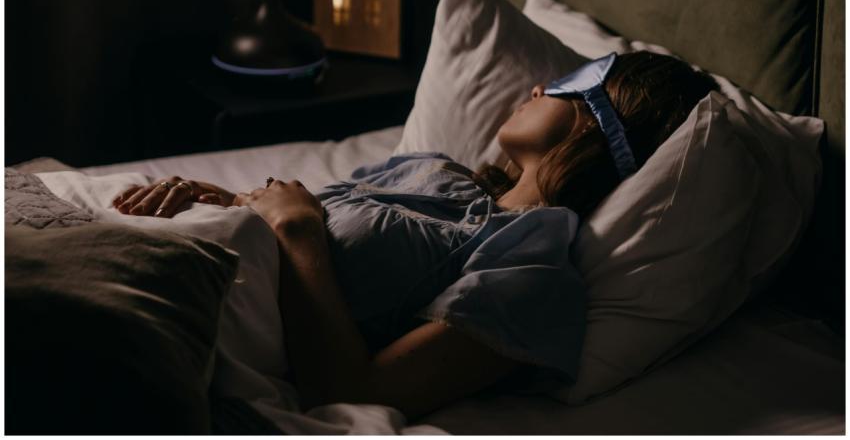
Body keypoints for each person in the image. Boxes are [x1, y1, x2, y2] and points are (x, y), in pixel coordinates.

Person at [112, 51, 717, 419]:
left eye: (563, 85)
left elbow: (352, 390)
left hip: (175, 310)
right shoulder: (430, 168)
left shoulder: (534, 271)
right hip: (160, 239)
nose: (535, 89)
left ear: (601, 123)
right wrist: (222, 201)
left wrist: (296, 229)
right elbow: (278, 212)